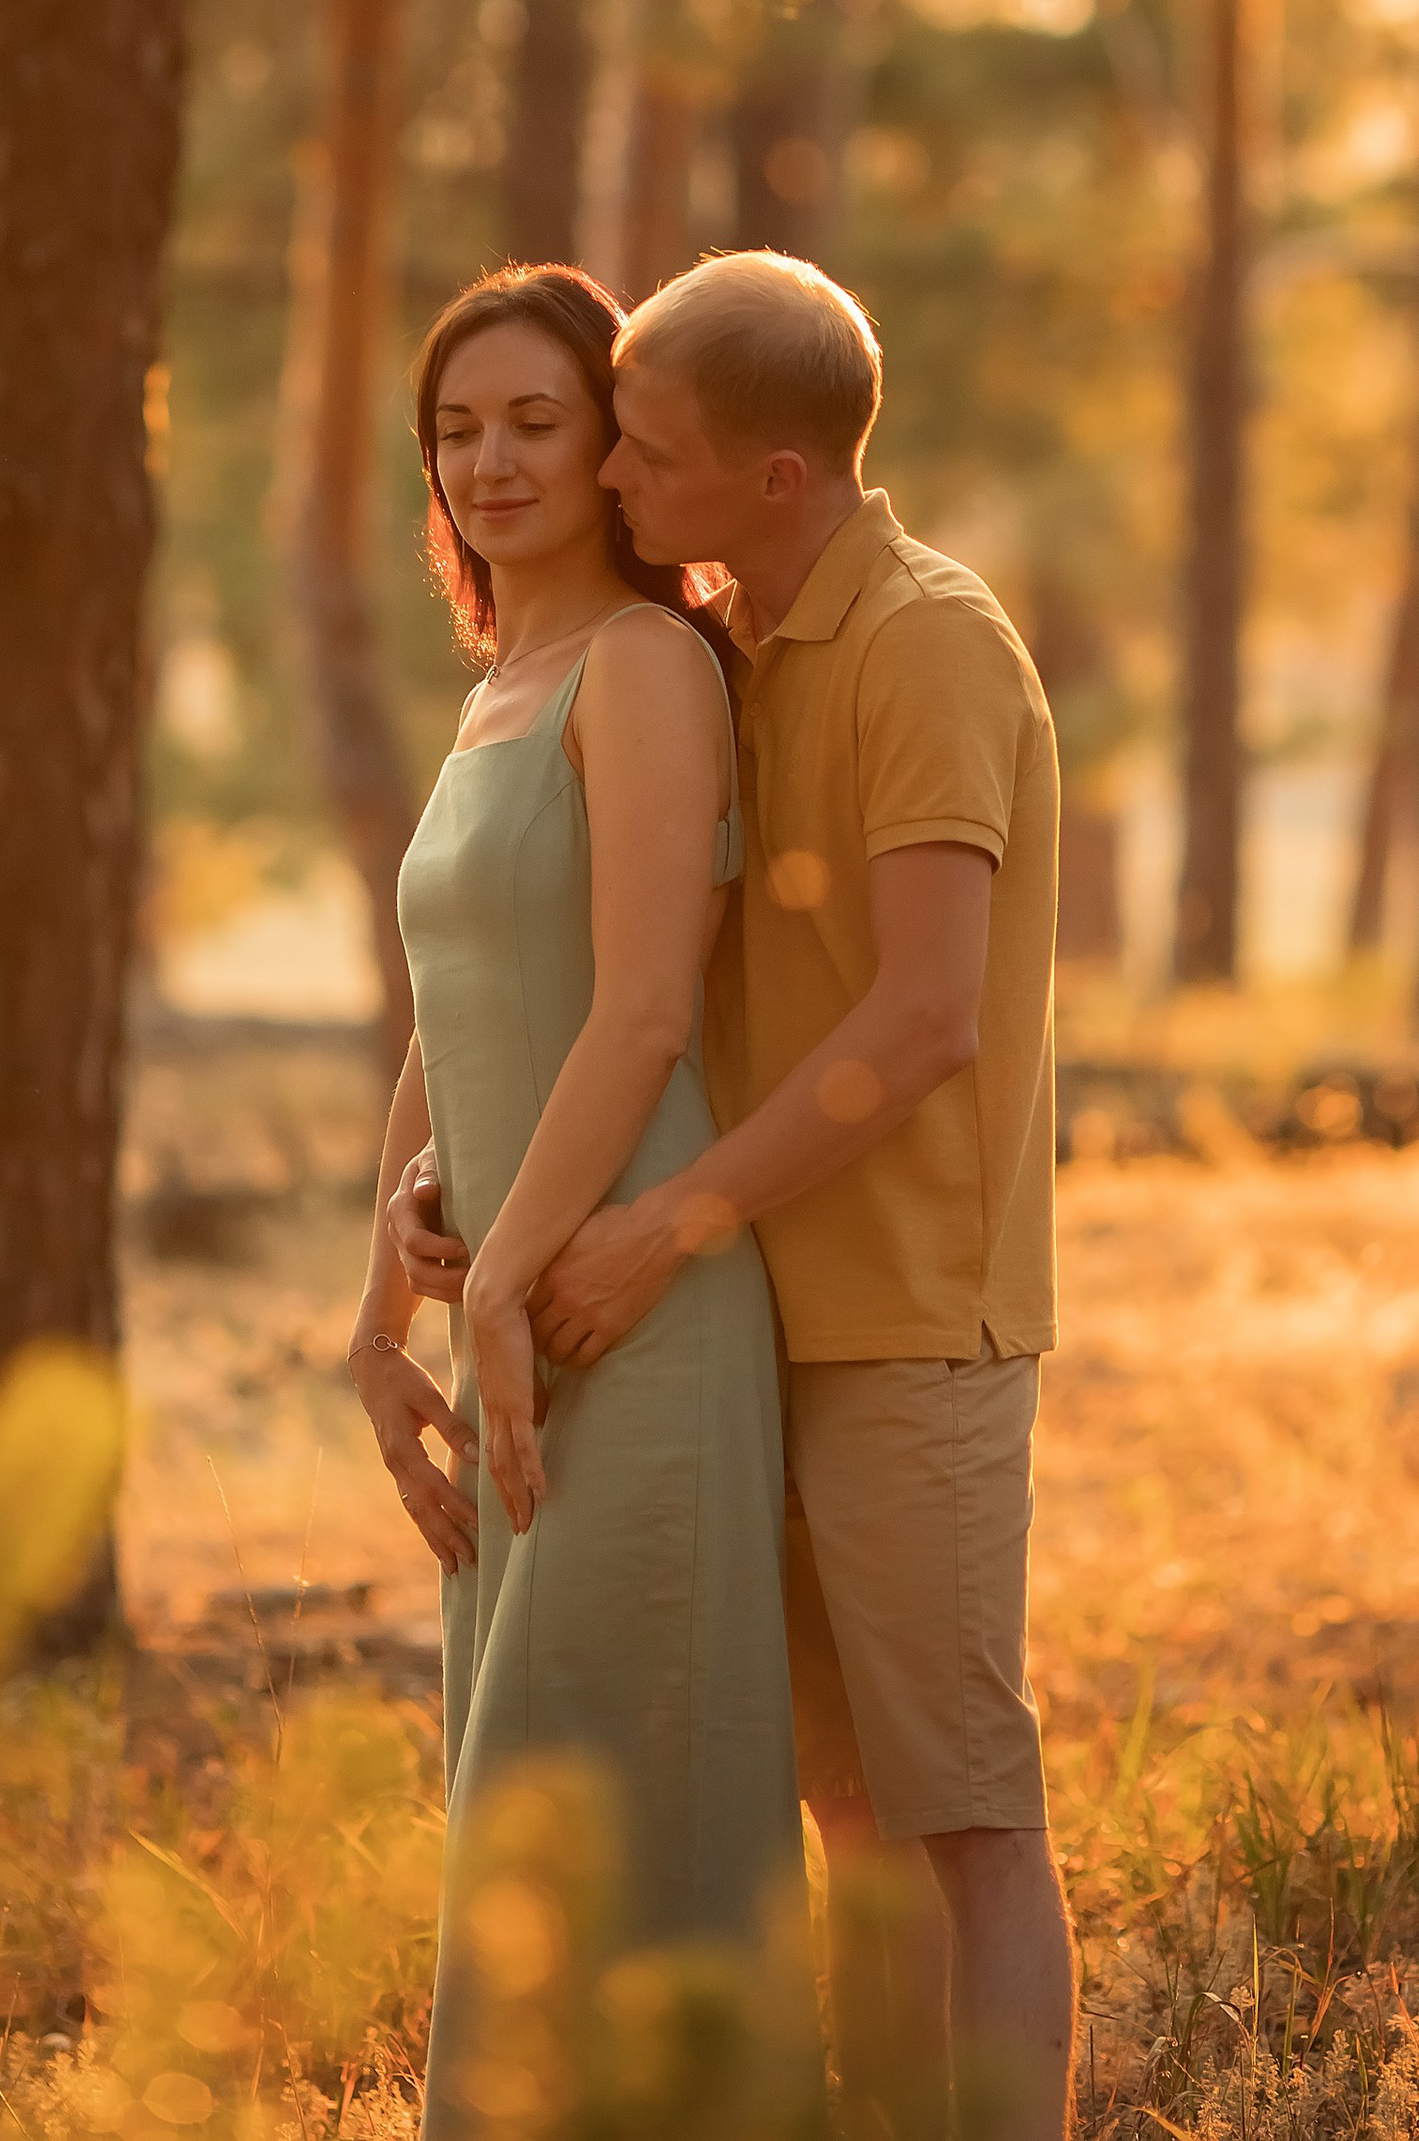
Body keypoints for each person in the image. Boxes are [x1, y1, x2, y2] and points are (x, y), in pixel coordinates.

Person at [393, 249, 1076, 2141]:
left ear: (769, 477)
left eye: (638, 447)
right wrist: (452, 1193)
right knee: (845, 1812)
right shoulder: (744, 651)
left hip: (906, 1315)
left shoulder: (925, 642)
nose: (605, 476)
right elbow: (617, 971)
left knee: (962, 1814)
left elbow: (925, 1018)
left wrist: (659, 1228)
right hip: (759, 1301)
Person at [343, 261, 804, 2127]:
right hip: (518, 1316)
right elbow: (451, 1020)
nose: (493, 461)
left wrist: (505, 1285)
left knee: (629, 1798)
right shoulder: (496, 694)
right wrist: (379, 1313)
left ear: (616, 444)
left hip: (632, 1306)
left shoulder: (644, 665)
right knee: (530, 1812)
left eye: (537, 420)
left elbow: (640, 1013)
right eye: (456, 430)